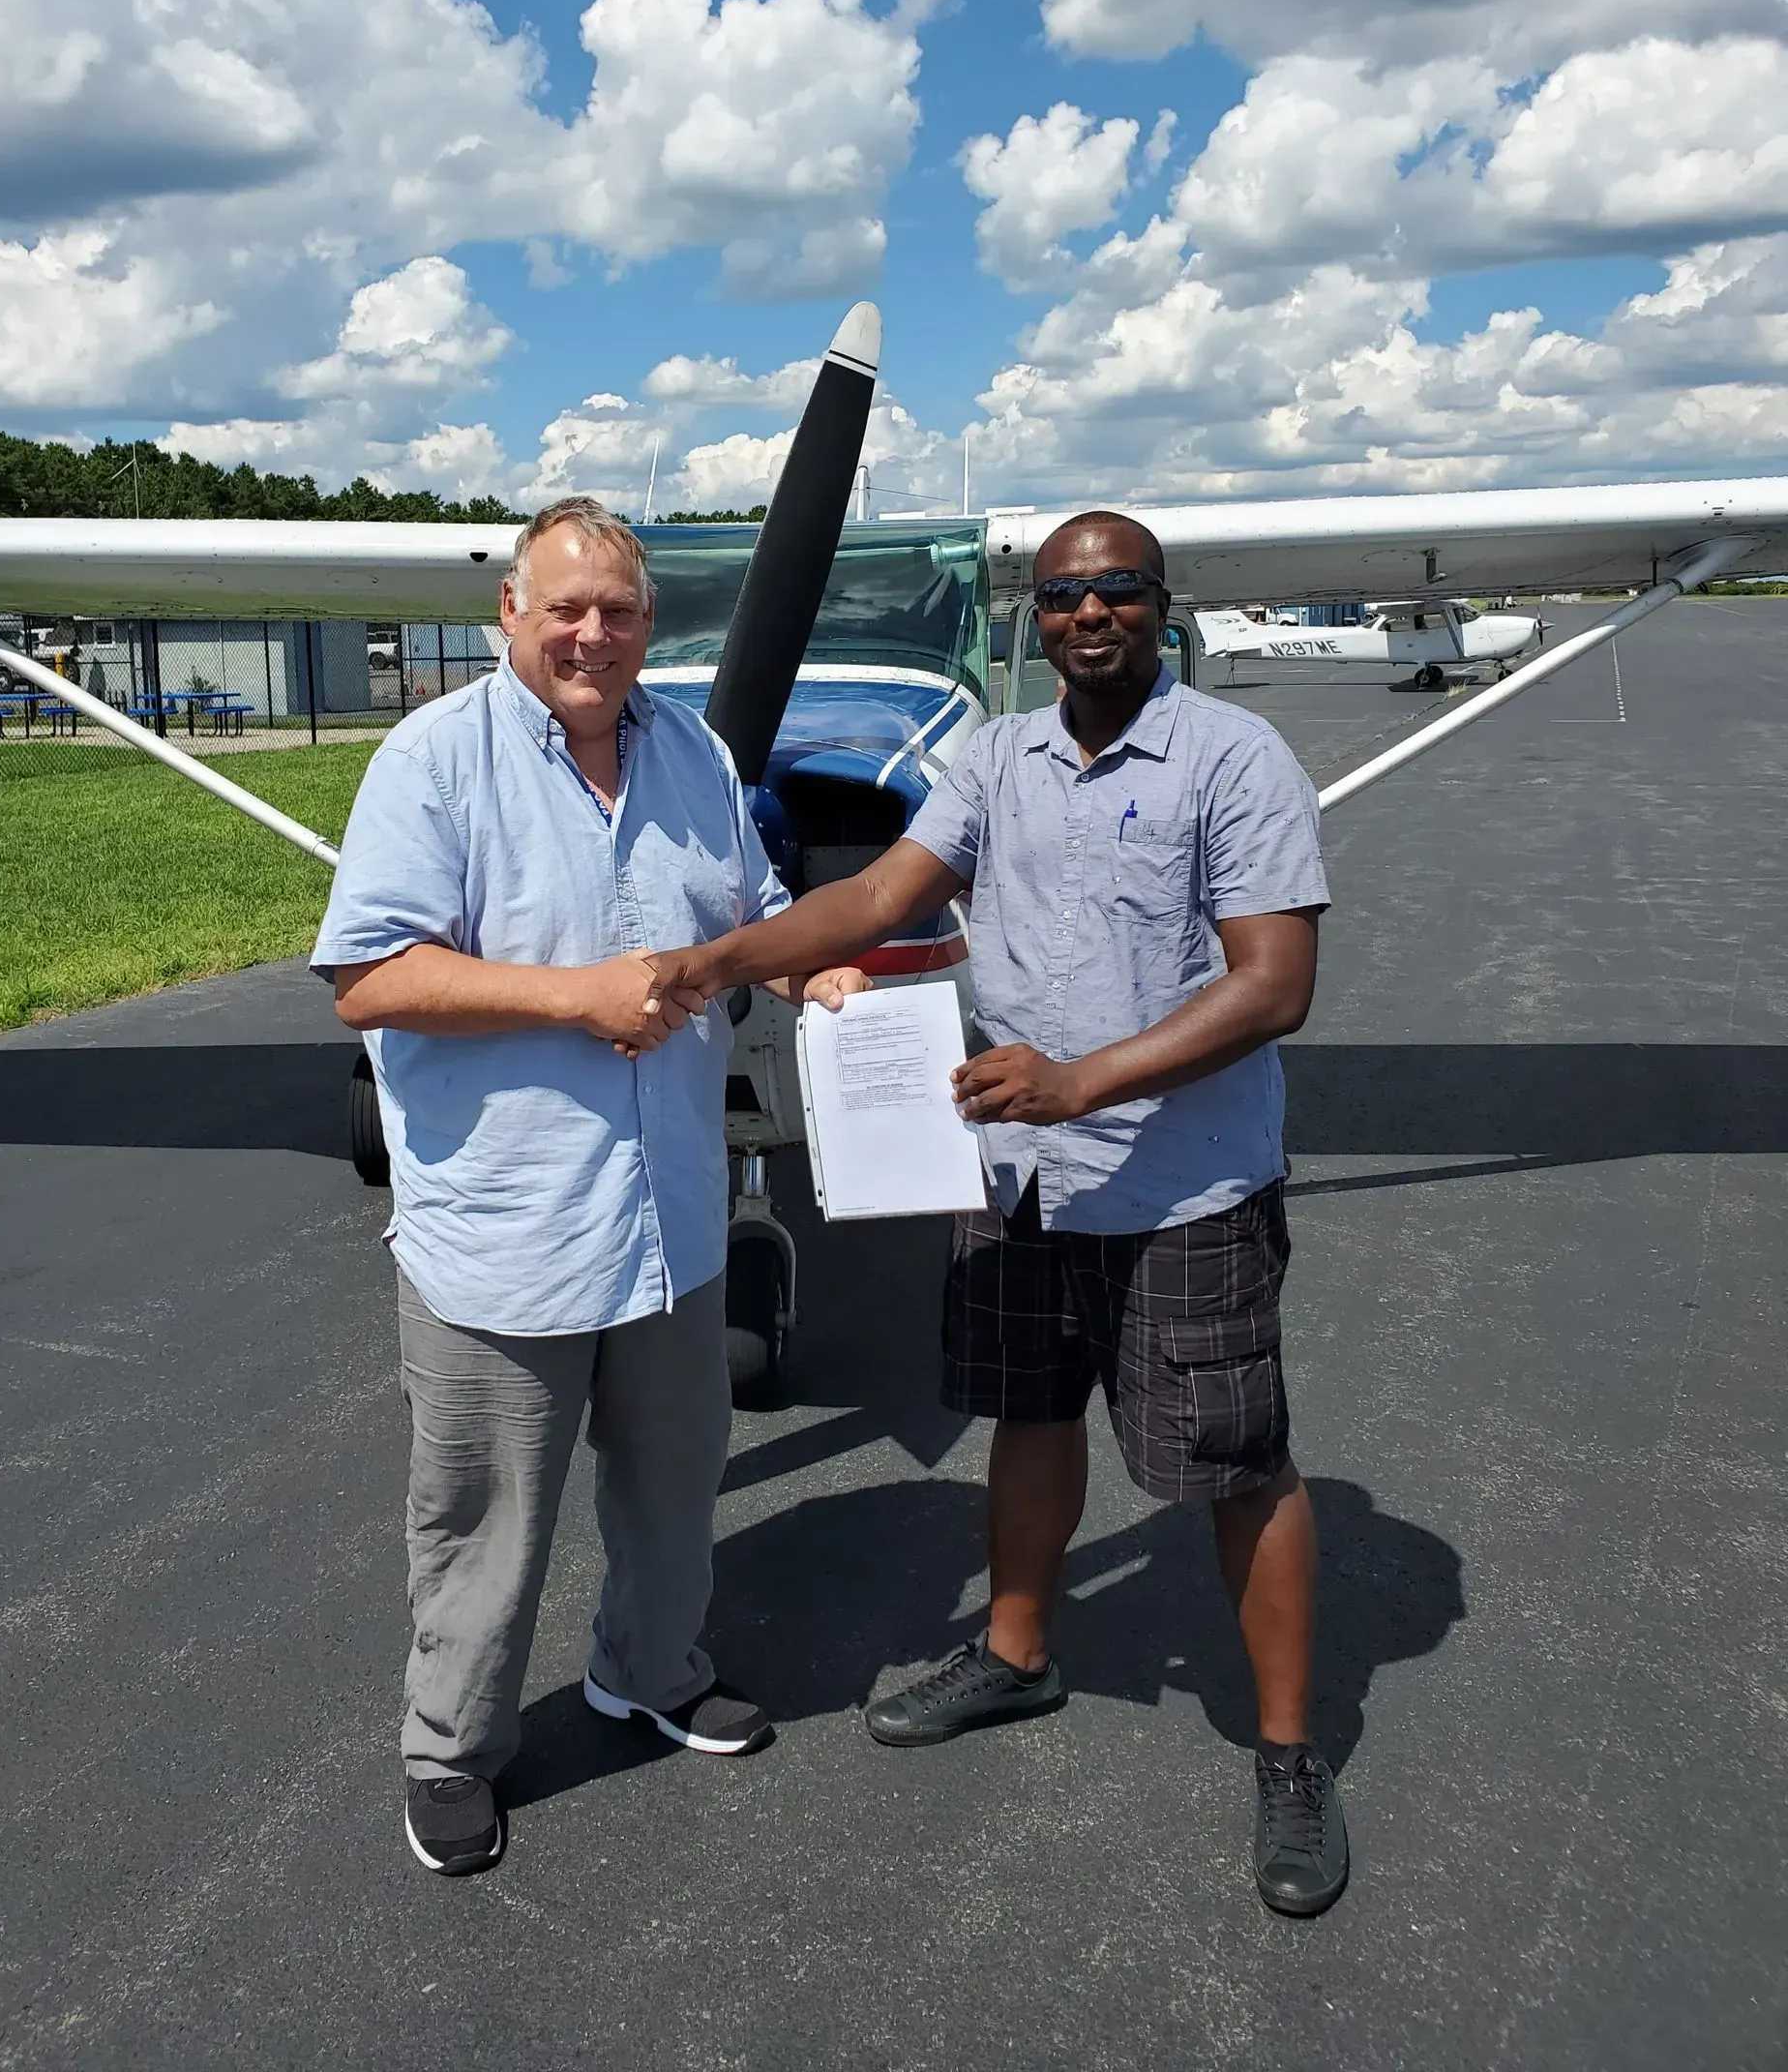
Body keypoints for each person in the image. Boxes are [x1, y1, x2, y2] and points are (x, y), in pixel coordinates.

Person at [647, 509, 1348, 1917]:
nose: (1093, 614)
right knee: (1028, 1413)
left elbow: (1275, 985)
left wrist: (1082, 1079)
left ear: (1162, 606)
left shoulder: (1235, 759)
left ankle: (1287, 1753)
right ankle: (1017, 1654)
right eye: (1067, 595)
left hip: (1184, 1186)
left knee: (1237, 1461)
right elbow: (883, 897)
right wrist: (716, 958)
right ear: (1035, 620)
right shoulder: (996, 759)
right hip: (1023, 1175)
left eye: (1121, 591)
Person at [312, 496, 853, 1877]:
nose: (591, 634)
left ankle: (649, 1674)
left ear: (648, 626)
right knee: (486, 1518)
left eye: (618, 611)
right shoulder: (434, 760)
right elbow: (368, 975)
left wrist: (810, 966)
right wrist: (575, 1000)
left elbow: (736, 927)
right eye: (564, 608)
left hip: (670, 1218)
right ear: (511, 614)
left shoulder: (698, 754)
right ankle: (451, 1747)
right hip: (507, 1231)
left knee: (677, 1486)